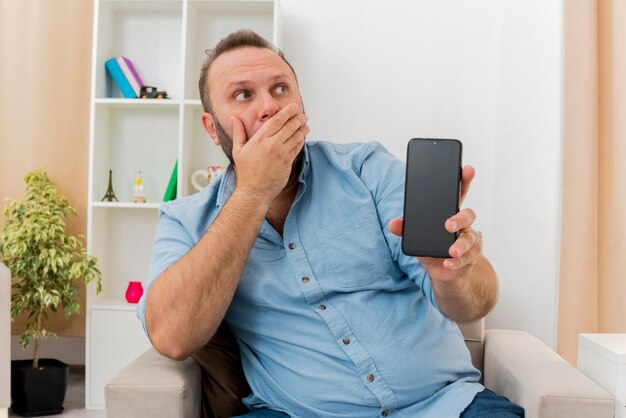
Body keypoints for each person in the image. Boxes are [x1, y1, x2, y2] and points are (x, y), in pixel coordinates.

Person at [137, 29, 524, 418]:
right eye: (243, 95)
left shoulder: (367, 170)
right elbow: (172, 337)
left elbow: (477, 302)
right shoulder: (186, 221)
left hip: (443, 405)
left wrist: (454, 275)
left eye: (281, 89)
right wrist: (252, 193)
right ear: (211, 126)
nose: (269, 107)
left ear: (302, 107)